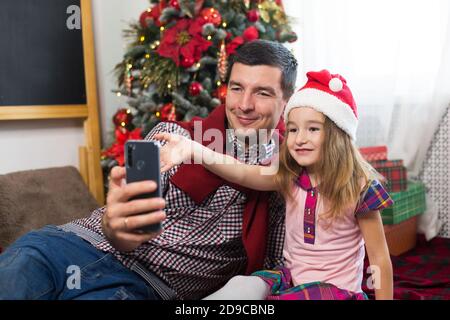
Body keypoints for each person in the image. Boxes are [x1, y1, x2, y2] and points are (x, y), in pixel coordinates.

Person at [0, 40, 298, 300]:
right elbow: (126, 220)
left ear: (286, 100)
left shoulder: (286, 182)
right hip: (70, 245)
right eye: (237, 88)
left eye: (262, 93)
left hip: (142, 287)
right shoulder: (171, 134)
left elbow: (275, 268)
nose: (244, 105)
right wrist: (118, 226)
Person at [155, 70, 395, 300]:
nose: (299, 138)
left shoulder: (360, 189)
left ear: (337, 134)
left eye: (313, 129)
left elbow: (379, 258)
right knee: (242, 285)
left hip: (335, 292)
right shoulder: (289, 176)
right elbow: (240, 171)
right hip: (290, 281)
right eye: (292, 129)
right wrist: (193, 149)